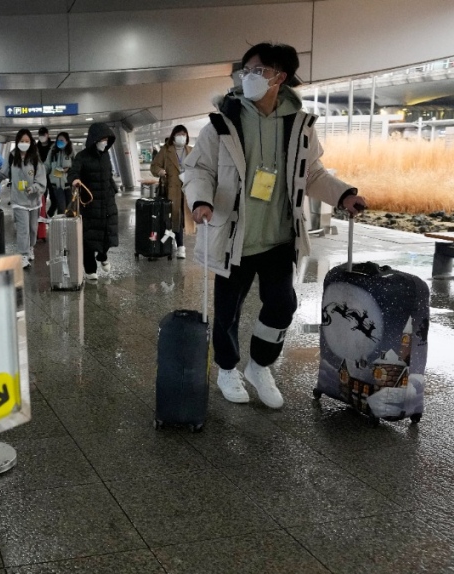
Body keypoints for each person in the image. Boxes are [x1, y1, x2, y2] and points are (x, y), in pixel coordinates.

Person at [184, 42, 368, 410]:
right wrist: (201, 201)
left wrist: (343, 194)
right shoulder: (223, 121)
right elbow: (198, 169)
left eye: (258, 71)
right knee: (227, 312)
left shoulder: (300, 125)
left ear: (280, 77)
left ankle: (259, 365)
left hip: (279, 237)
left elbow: (312, 173)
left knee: (283, 305)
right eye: (246, 70)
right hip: (235, 237)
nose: (248, 77)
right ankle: (226, 369)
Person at [0, 128, 46, 269]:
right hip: (18, 200)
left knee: (33, 229)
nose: (24, 143)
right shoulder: (12, 156)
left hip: (33, 201)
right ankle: (23, 255)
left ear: (31, 142)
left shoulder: (35, 158)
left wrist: (34, 188)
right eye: (22, 141)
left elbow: (41, 180)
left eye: (27, 141)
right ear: (17, 142)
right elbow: (3, 173)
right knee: (23, 229)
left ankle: (31, 247)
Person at [69, 123, 119, 280]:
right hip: (89, 204)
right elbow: (73, 172)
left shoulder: (106, 156)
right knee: (88, 238)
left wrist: (113, 189)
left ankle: (103, 256)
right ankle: (90, 269)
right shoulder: (81, 156)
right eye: (102, 139)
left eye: (106, 139)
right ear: (94, 139)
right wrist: (75, 180)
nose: (104, 142)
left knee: (107, 233)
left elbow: (109, 176)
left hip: (107, 202)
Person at [150, 125, 194, 258]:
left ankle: (174, 242)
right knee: (174, 218)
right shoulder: (166, 150)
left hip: (187, 190)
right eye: (179, 134)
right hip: (170, 191)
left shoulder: (191, 150)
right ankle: (179, 246)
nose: (182, 137)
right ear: (174, 136)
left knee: (183, 219)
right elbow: (154, 166)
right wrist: (160, 171)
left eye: (184, 134)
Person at [45, 132, 74, 216]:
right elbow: (47, 165)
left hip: (68, 185)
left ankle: (69, 225)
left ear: (67, 141)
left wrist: (69, 169)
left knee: (69, 207)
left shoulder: (70, 152)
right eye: (58, 140)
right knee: (61, 207)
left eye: (62, 140)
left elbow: (76, 165)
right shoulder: (53, 151)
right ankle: (60, 226)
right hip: (57, 185)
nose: (59, 142)